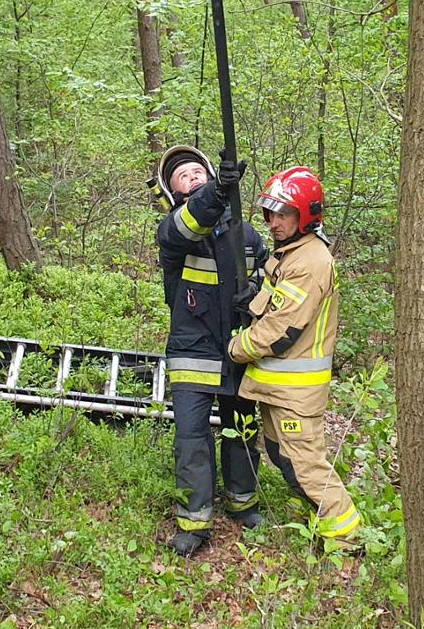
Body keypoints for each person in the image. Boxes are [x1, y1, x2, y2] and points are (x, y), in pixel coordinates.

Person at [230, 166, 360, 552]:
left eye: (282, 213)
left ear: (305, 215)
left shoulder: (310, 262)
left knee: (306, 465)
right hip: (277, 387)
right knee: (282, 455)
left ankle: (347, 540)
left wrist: (236, 348)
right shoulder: (291, 253)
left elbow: (282, 330)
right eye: (270, 213)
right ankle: (312, 520)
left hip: (295, 394)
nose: (273, 222)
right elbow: (272, 301)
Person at [152, 145, 265, 556]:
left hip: (236, 351)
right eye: (185, 176)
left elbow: (270, 280)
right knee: (192, 440)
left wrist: (254, 293)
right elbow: (191, 223)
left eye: (199, 171)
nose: (194, 177)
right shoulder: (173, 231)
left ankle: (244, 503)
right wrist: (217, 190)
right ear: (172, 190)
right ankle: (193, 522)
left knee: (242, 431)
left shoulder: (247, 234)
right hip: (192, 353)